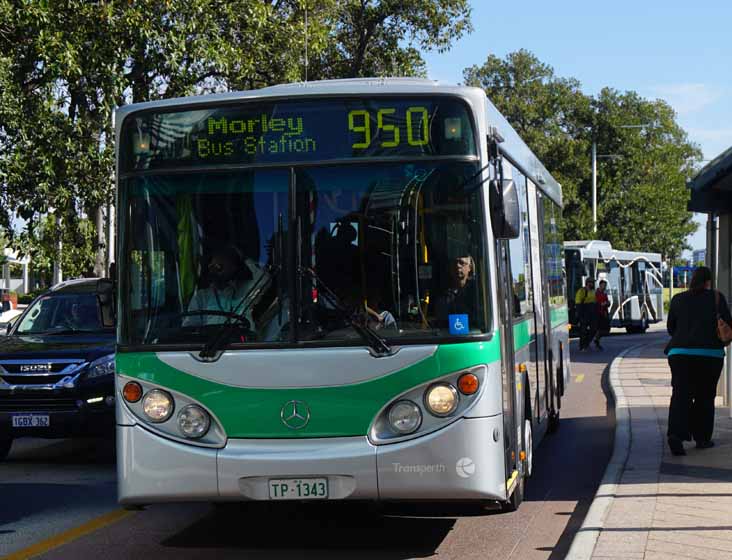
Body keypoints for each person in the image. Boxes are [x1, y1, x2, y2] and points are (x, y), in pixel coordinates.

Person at [665, 267, 732, 456]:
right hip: (709, 355)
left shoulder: (678, 299)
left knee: (680, 394)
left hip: (679, 354)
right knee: (705, 396)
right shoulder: (717, 298)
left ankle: (676, 435)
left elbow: (671, 329)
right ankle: (702, 438)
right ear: (708, 282)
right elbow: (728, 325)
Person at [183, 245, 260, 328]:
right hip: (213, 340)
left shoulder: (246, 290)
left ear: (234, 268)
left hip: (245, 340)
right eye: (212, 266)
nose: (214, 269)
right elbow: (189, 329)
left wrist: (243, 259)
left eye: (219, 266)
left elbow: (263, 279)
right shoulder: (202, 297)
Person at [435, 255, 476, 325]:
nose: (457, 266)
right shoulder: (442, 294)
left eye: (461, 263)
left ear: (470, 267)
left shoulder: (476, 292)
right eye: (454, 263)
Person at [574, 278, 597, 350]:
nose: (593, 284)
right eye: (592, 283)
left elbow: (595, 301)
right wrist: (580, 315)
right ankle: (582, 346)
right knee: (583, 330)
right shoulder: (581, 291)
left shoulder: (593, 291)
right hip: (584, 313)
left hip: (592, 313)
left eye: (593, 283)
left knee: (594, 329)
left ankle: (586, 343)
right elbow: (578, 304)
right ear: (588, 283)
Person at [593, 279, 610, 350]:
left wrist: (607, 303)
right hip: (598, 312)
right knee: (599, 328)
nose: (604, 287)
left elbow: (607, 302)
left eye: (605, 286)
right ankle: (596, 341)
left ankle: (596, 340)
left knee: (604, 329)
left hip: (603, 313)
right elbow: (595, 302)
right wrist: (602, 304)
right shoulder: (596, 293)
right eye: (603, 285)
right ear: (600, 285)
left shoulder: (604, 293)